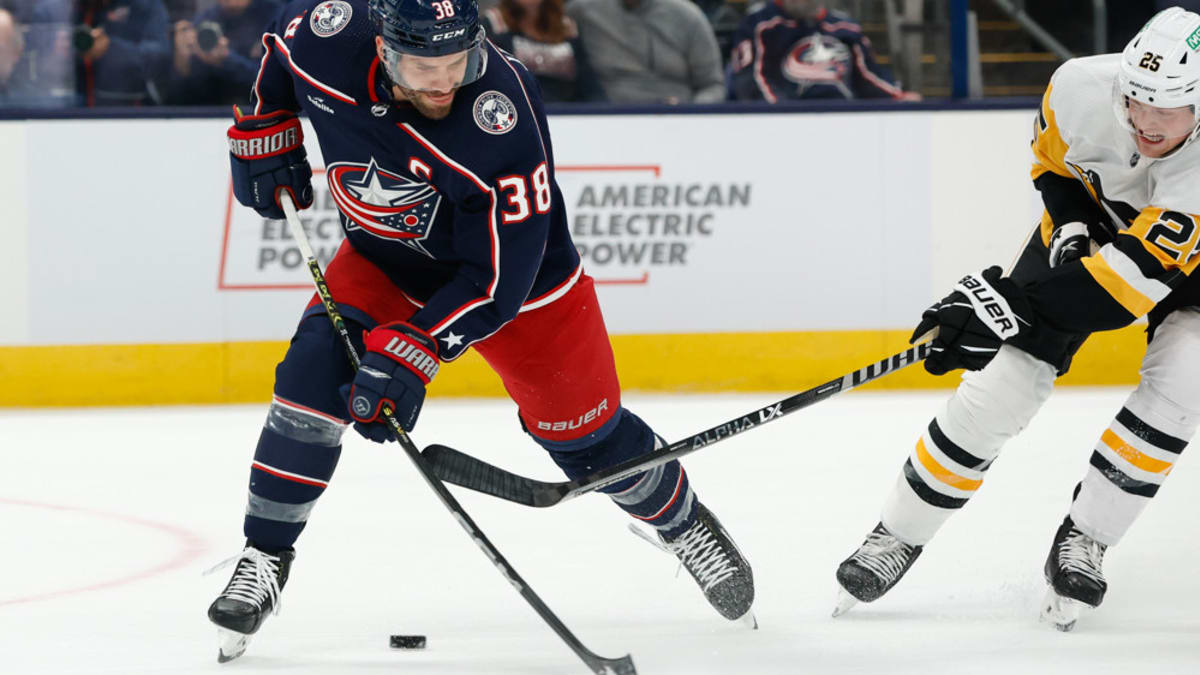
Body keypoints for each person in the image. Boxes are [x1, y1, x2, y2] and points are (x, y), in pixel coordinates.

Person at [205, 0, 754, 661]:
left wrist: (414, 351)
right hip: (385, 259)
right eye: (422, 65)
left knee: (586, 441)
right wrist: (266, 129)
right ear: (381, 49)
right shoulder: (329, 34)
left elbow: (499, 279)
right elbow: (279, 58)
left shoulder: (501, 113)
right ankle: (264, 556)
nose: (442, 83)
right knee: (310, 381)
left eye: (456, 62)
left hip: (523, 290)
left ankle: (682, 520)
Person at [833, 6, 1200, 632]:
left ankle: (1086, 537)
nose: (1144, 121)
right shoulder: (1080, 85)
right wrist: (1076, 228)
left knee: (1184, 381)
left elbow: (1120, 292)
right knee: (1001, 386)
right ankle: (897, 533)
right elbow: (1054, 167)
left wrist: (998, 306)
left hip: (1182, 271)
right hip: (1100, 232)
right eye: (1135, 100)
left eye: (1166, 108)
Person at [728, 0, 917, 102]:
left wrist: (897, 96)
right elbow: (750, 81)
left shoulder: (845, 28)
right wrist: (782, 113)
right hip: (787, 120)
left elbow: (868, 75)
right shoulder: (760, 24)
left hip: (845, 118)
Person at [566, 0, 724, 104]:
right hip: (604, 119)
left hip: (677, 121)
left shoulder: (689, 17)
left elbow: (713, 85)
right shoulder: (582, 12)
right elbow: (546, 24)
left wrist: (691, 111)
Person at [28, 0, 170, 106]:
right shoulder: (52, 10)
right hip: (65, 113)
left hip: (127, 112)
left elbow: (161, 59)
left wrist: (111, 48)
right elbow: (32, 74)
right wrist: (58, 54)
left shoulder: (145, 5)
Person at [481, 0, 605, 102]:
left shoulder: (566, 26)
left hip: (567, 114)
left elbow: (588, 81)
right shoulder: (493, 24)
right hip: (517, 111)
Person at [166, 0, 280, 105]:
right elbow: (178, 99)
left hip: (261, 111)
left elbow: (276, 83)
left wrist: (227, 60)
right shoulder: (204, 21)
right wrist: (182, 63)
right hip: (210, 112)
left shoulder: (276, 17)